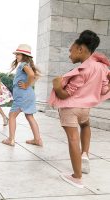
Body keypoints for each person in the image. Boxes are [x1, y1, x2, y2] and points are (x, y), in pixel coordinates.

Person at [49, 30, 110, 188]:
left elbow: (64, 95)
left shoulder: (81, 71)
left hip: (70, 108)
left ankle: (76, 177)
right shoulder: (101, 68)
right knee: (85, 125)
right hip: (85, 109)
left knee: (73, 139)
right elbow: (104, 91)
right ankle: (85, 154)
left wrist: (56, 85)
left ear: (80, 49)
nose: (69, 54)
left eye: (71, 50)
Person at [2, 44, 42, 147]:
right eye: (16, 54)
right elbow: (33, 75)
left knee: (12, 115)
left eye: (18, 54)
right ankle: (37, 140)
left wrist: (26, 84)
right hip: (29, 95)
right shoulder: (26, 65)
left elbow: (32, 75)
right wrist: (28, 85)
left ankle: (11, 139)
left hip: (22, 96)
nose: (16, 56)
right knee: (29, 116)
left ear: (24, 55)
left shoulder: (23, 65)